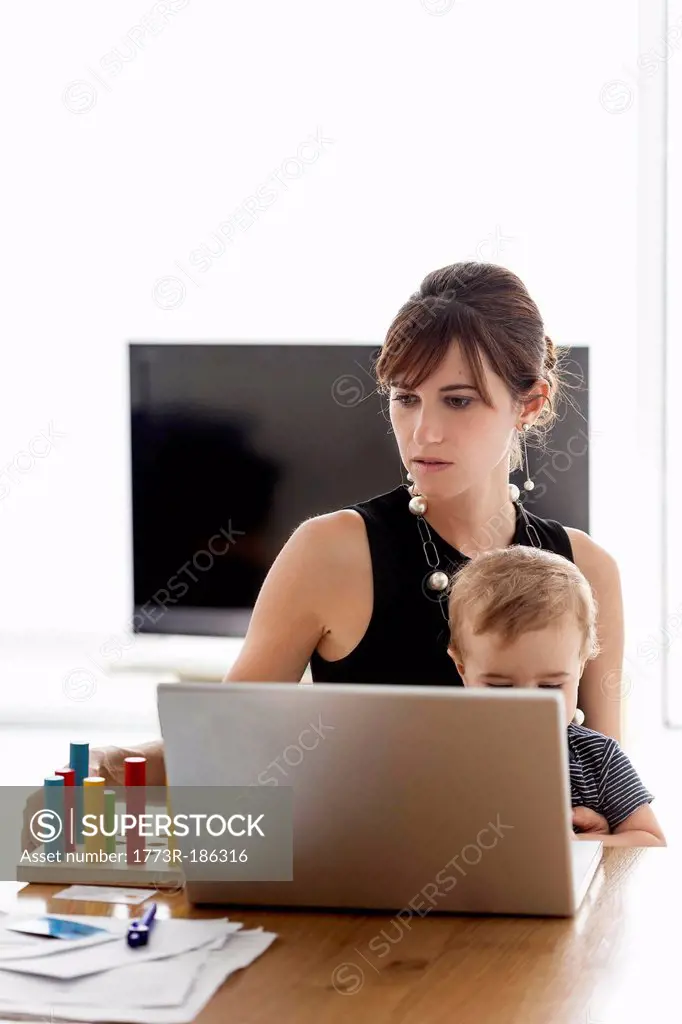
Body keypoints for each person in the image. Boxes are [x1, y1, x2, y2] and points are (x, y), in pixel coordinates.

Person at [81, 261, 626, 786]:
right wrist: (109, 763)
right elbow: (223, 739)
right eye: (406, 399)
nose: (424, 431)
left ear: (529, 404)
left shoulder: (589, 570)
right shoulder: (328, 551)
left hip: (532, 880)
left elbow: (614, 790)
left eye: (458, 401)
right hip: (357, 880)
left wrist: (597, 835)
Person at [447, 545, 665, 846]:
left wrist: (580, 846)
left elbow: (649, 839)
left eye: (550, 687)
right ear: (462, 669)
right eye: (500, 686)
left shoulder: (597, 759)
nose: (527, 706)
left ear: (580, 666)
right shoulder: (446, 755)